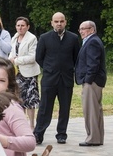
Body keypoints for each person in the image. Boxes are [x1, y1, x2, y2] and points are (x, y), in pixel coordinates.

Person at [33, 12, 79, 145]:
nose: (59, 24)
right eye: (56, 21)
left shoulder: (73, 38)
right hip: (49, 79)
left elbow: (76, 58)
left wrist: (69, 69)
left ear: (65, 22)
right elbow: (39, 57)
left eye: (61, 21)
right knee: (44, 108)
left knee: (65, 108)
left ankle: (61, 134)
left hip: (66, 79)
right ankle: (38, 134)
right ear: (52, 22)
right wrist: (49, 68)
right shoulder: (44, 38)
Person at [75, 20, 106, 147]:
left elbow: (93, 64)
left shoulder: (92, 42)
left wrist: (87, 80)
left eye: (84, 29)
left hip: (92, 82)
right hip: (93, 81)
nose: (81, 31)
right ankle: (97, 138)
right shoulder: (91, 41)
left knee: (91, 110)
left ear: (92, 30)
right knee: (95, 110)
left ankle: (93, 138)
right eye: (80, 29)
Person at [9, 16, 40, 129]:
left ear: (28, 27)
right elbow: (11, 53)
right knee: (19, 100)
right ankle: (22, 125)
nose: (20, 28)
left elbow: (32, 57)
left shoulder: (32, 38)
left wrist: (17, 60)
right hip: (17, 74)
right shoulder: (14, 38)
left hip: (29, 74)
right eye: (18, 25)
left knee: (30, 100)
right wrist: (10, 60)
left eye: (22, 25)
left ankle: (32, 125)